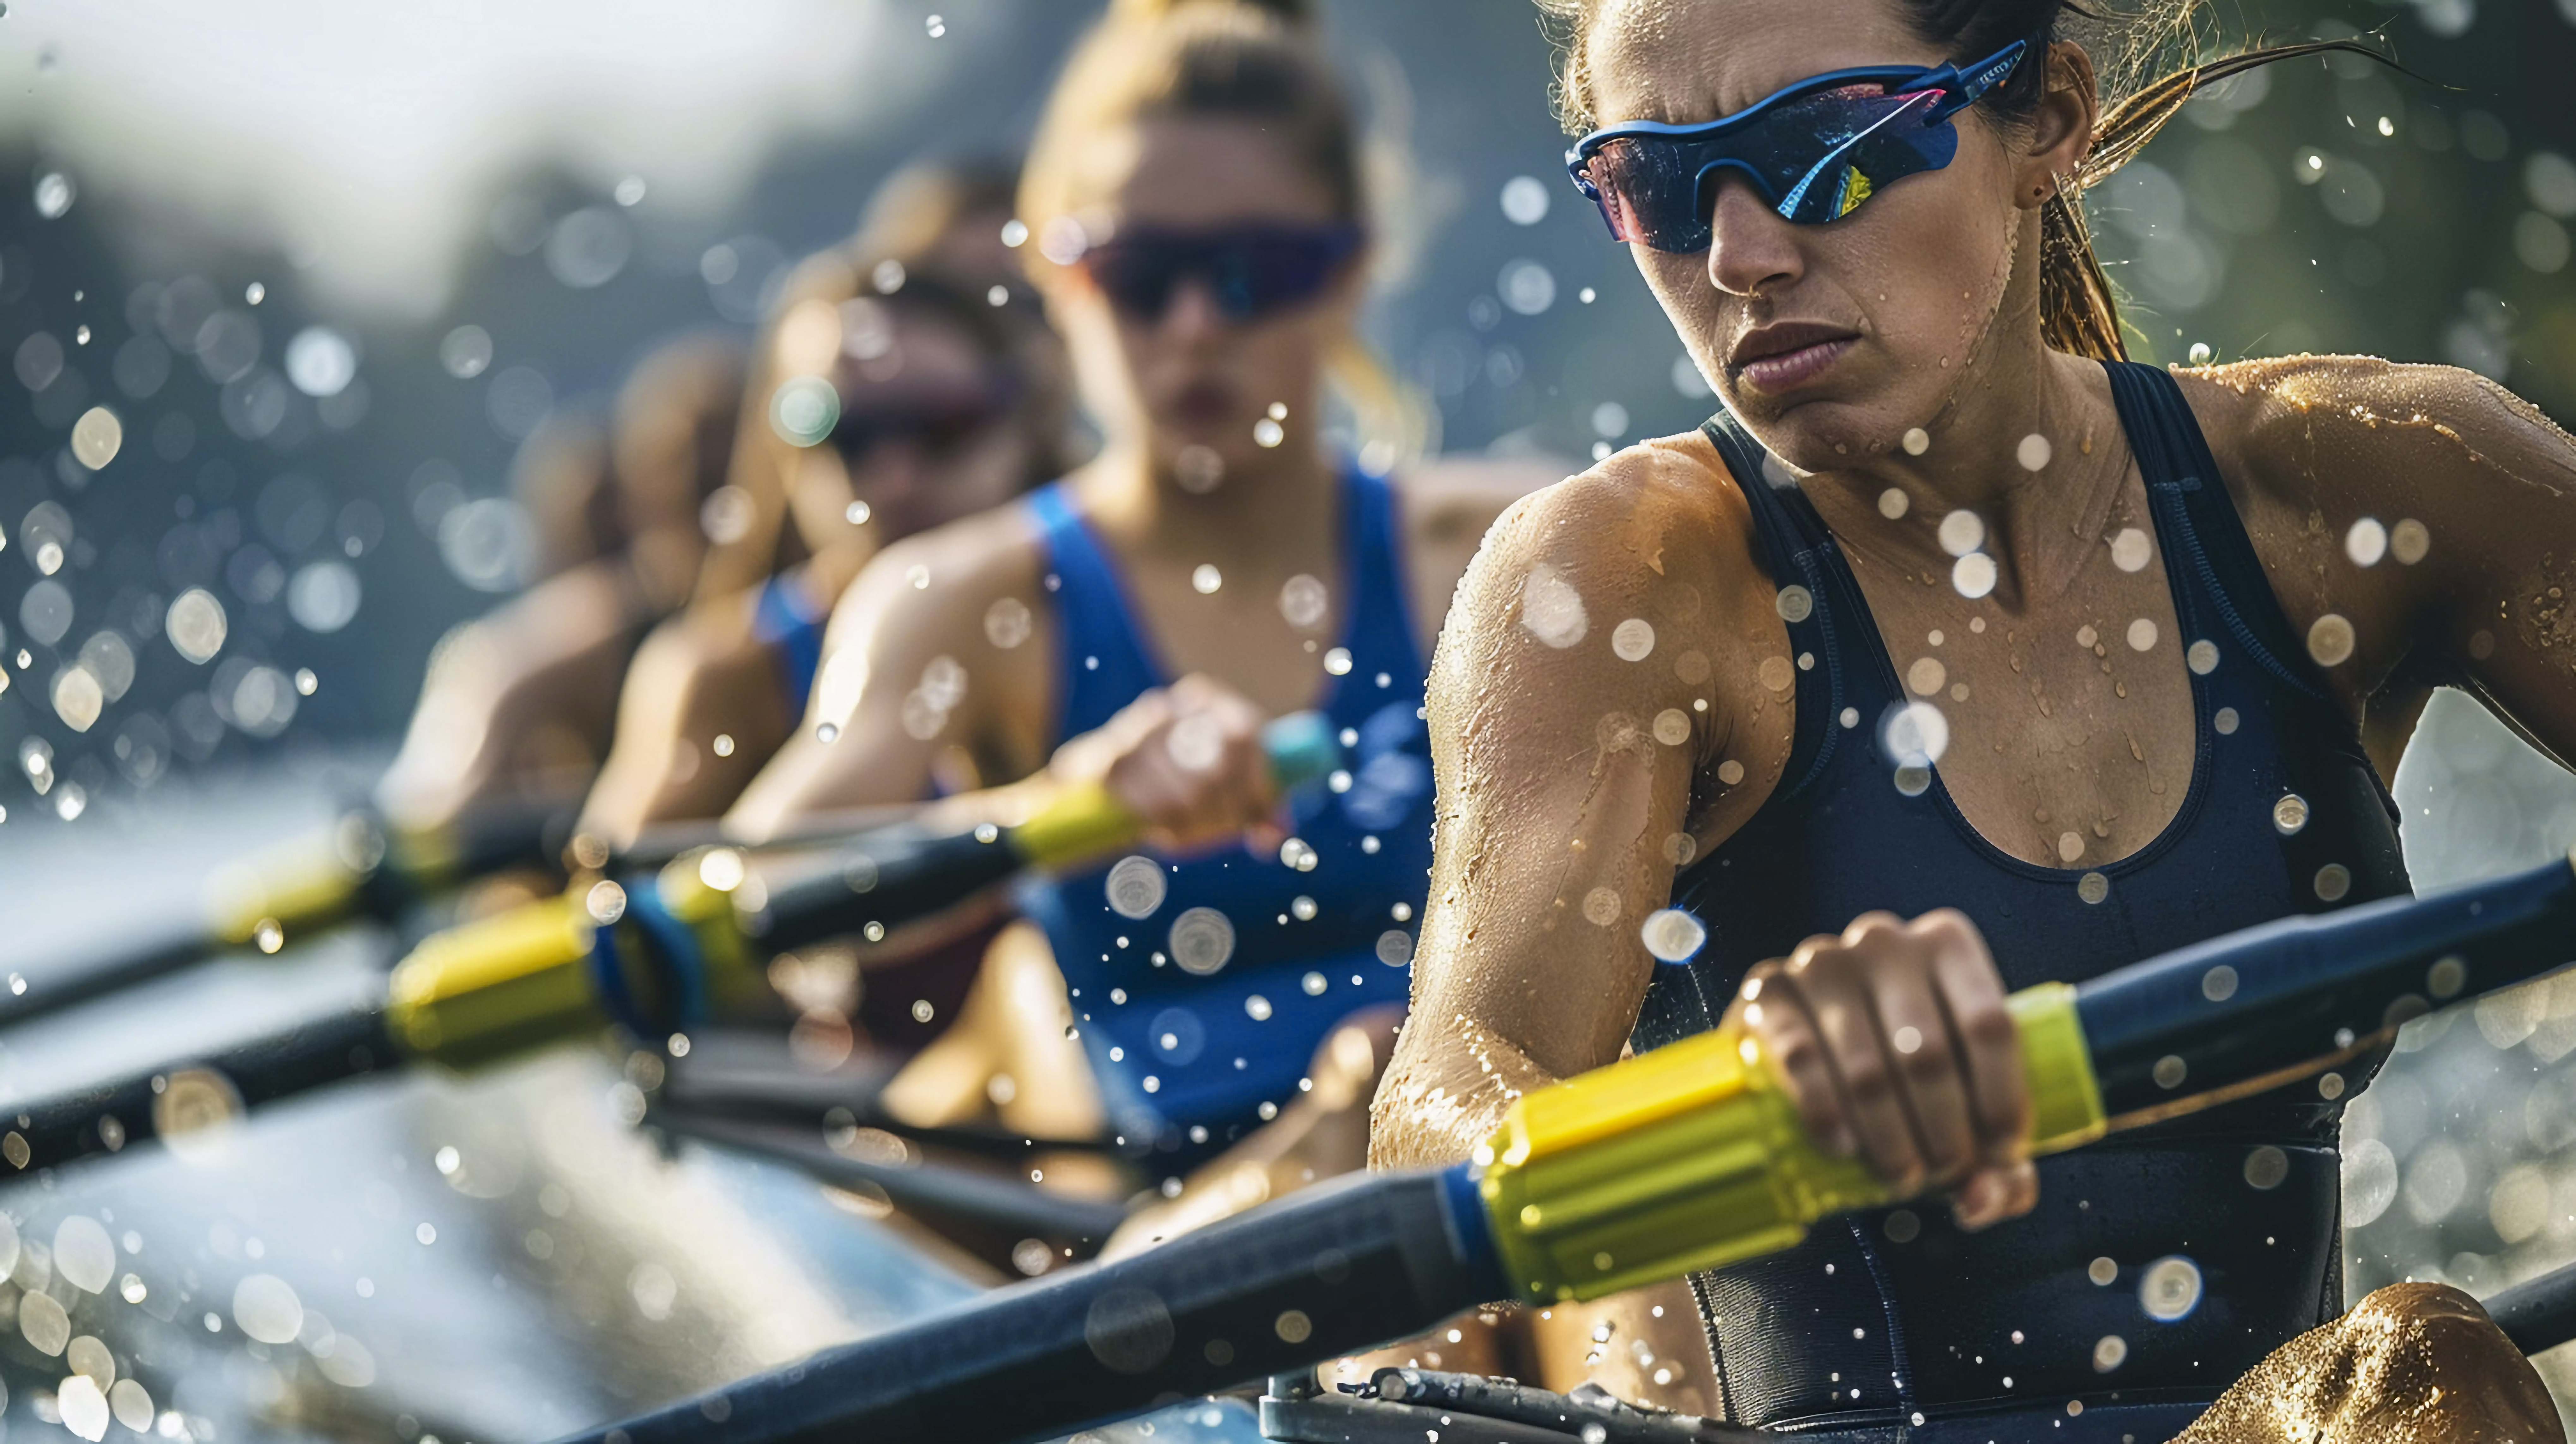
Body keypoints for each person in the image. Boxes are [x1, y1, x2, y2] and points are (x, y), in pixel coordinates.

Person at [1371, 1, 2576, 1440]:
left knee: (2418, 1366)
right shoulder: (1620, 587)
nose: (1738, 254)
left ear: (2049, 119)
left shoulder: (2370, 486)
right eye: (1658, 185)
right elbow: (1439, 1121)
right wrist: (1733, 1098)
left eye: (1827, 148)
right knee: (2422, 1368)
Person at [727, 0, 1555, 1277]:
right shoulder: (969, 600)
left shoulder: (1506, 550)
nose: (1191, 330)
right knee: (1360, 1119)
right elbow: (760, 901)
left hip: (1503, 1186)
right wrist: (1062, 801)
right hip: (1179, 1250)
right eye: (1138, 274)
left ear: (1344, 272)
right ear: (1061, 281)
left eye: (1251, 274)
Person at [573, 162, 1076, 854]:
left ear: (1025, 423)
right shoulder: (727, 675)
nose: (895, 478)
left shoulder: (1132, 591)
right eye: (845, 435)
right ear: (787, 458)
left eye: (941, 426)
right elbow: (615, 924)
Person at [373, 334, 743, 849]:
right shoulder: (545, 650)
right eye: (696, 490)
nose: (719, 520)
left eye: (733, 486)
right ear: (636, 508)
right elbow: (424, 818)